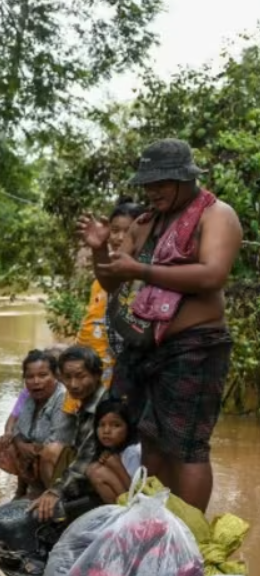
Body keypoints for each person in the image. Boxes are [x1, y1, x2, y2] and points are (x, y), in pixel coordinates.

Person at [77, 139, 243, 511]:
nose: (152, 192)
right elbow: (111, 281)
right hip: (146, 345)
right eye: (148, 185)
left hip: (195, 346)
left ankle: (192, 536)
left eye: (161, 184)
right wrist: (101, 249)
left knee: (187, 446)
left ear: (185, 179)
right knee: (151, 438)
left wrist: (140, 269)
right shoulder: (145, 222)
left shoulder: (216, 215)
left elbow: (212, 275)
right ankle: (158, 523)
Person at [77, 200, 148, 390]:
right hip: (94, 365)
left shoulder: (147, 273)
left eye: (127, 232)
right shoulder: (103, 276)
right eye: (114, 230)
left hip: (129, 367)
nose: (119, 237)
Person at [30, 345, 106, 520]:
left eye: (80, 376)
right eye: (67, 377)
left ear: (97, 375)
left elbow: (86, 459)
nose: (73, 384)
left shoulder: (102, 409)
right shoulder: (86, 403)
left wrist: (55, 492)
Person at [0, 350, 69, 498]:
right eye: (30, 377)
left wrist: (28, 447)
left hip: (57, 455)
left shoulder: (62, 397)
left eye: (43, 375)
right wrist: (19, 442)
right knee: (5, 443)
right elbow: (16, 423)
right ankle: (22, 491)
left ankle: (52, 495)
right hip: (32, 445)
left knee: (47, 453)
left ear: (56, 376)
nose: (36, 381)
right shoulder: (27, 394)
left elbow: (56, 439)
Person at [84, 397, 142, 505]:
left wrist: (116, 465)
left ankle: (122, 515)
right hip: (127, 499)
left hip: (138, 503)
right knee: (92, 469)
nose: (106, 431)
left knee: (98, 473)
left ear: (128, 428)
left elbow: (136, 492)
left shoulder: (133, 451)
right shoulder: (111, 450)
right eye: (101, 425)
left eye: (116, 425)